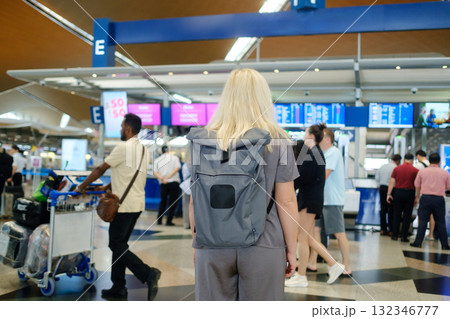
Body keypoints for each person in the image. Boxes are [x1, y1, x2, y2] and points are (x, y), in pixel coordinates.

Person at [189, 68, 298, 301]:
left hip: (212, 242)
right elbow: (286, 201)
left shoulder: (203, 140)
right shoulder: (278, 140)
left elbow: (194, 199)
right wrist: (292, 249)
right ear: (263, 98)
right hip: (264, 242)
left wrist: (197, 240)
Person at [75, 114, 161, 300]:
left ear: (128, 129)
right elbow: (128, 175)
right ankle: (119, 287)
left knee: (115, 244)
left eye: (122, 126)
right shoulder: (145, 150)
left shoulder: (124, 147)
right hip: (137, 204)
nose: (121, 129)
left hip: (123, 205)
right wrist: (107, 187)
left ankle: (147, 273)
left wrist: (81, 187)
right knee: (120, 245)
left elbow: (101, 169)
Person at [286, 124, 344, 288]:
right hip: (312, 199)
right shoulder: (316, 153)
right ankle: (333, 264)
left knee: (302, 238)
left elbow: (302, 178)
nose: (304, 137)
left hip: (309, 201)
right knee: (308, 237)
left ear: (312, 136)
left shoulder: (313, 154)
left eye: (306, 134)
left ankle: (302, 276)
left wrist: (287, 183)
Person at [309, 128, 352, 276]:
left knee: (339, 233)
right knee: (315, 232)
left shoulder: (333, 152)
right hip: (321, 200)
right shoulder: (322, 154)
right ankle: (312, 263)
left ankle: (347, 267)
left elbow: (323, 176)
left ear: (327, 139)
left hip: (332, 200)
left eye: (321, 137)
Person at [410, 153, 450, 250]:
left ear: (429, 160)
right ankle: (445, 245)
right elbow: (448, 187)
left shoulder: (423, 172)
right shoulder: (445, 173)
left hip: (425, 198)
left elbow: (416, 184)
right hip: (439, 199)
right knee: (440, 222)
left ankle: (418, 242)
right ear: (439, 161)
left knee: (423, 221)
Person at [387, 153, 419, 242]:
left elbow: (392, 182)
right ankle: (404, 237)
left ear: (404, 159)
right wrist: (417, 197)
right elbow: (417, 185)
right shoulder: (415, 170)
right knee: (407, 215)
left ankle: (394, 235)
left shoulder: (397, 169)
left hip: (398, 192)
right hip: (410, 193)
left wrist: (389, 194)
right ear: (412, 160)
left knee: (396, 214)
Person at [153, 145, 181, 226]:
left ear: (161, 151)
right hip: (174, 182)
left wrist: (162, 178)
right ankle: (169, 221)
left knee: (163, 201)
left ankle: (159, 220)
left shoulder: (157, 160)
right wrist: (168, 177)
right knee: (172, 202)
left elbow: (155, 172)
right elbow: (177, 168)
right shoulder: (174, 158)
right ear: (169, 150)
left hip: (163, 183)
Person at [376, 154, 402, 235]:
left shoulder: (382, 166)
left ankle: (383, 229)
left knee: (383, 209)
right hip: (392, 189)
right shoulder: (396, 168)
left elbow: (377, 178)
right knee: (392, 209)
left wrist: (379, 186)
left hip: (382, 188)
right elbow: (396, 180)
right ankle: (391, 230)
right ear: (398, 161)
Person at [414, 150, 434, 240]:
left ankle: (419, 235)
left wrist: (417, 196)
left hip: (423, 193)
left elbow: (417, 183)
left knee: (421, 215)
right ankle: (431, 234)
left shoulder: (418, 166)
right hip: (434, 193)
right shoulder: (432, 165)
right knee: (432, 214)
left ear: (418, 156)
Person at [179, 158, 191, 229]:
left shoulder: (185, 165)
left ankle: (186, 224)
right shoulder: (198, 164)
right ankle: (194, 223)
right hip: (194, 186)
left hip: (185, 186)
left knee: (186, 206)